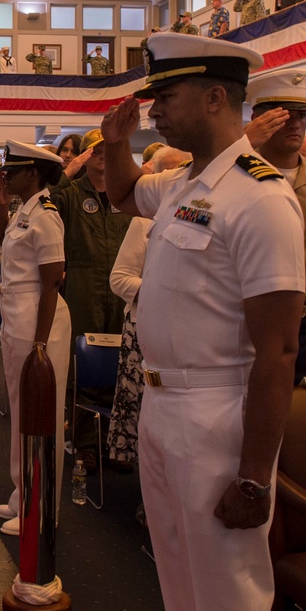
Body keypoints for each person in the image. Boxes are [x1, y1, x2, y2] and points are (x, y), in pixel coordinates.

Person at [103, 32, 305, 611]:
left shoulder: (259, 196)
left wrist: (253, 477)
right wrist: (117, 144)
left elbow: (279, 349)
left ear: (216, 97)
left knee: (228, 594)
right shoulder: (184, 184)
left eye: (166, 95)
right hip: (162, 407)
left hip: (218, 414)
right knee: (178, 578)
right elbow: (120, 194)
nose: (154, 109)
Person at [0, 141, 72, 536]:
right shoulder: (25, 211)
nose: (7, 174)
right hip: (18, 314)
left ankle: (41, 507)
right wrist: (4, 202)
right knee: (19, 407)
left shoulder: (47, 214)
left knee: (40, 413)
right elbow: (1, 240)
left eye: (15, 170)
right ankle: (23, 491)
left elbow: (52, 281)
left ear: (35, 174)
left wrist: (40, 344)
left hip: (40, 317)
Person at [50, 128, 133, 473]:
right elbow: (43, 201)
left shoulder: (127, 193)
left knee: (120, 367)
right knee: (82, 371)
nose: (102, 154)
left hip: (121, 288)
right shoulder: (70, 193)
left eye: (108, 149)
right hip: (84, 285)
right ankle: (84, 446)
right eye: (95, 150)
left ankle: (116, 443)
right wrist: (69, 170)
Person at [107, 147, 190, 466]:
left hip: (185, 337)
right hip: (145, 332)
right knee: (148, 425)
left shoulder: (201, 212)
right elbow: (120, 279)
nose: (177, 178)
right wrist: (165, 293)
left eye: (183, 169)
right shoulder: (144, 219)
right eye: (167, 172)